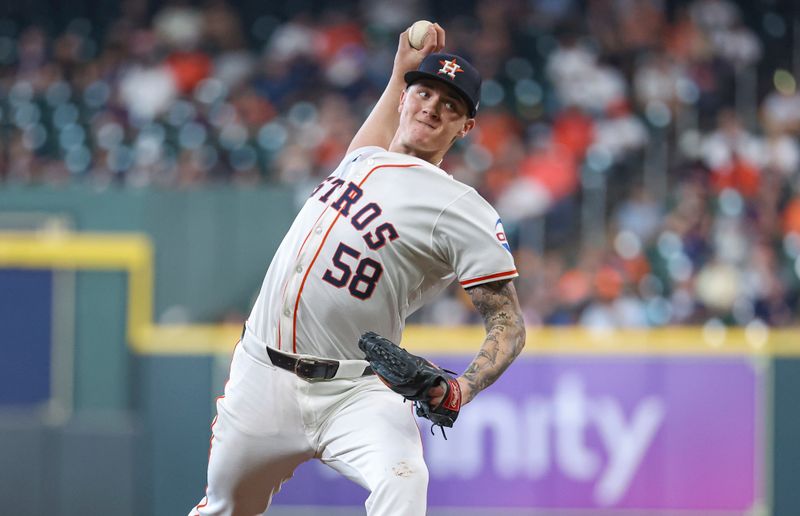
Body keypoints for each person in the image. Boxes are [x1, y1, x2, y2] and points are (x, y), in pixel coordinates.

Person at [189, 23, 526, 516]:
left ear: (465, 127)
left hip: (355, 391)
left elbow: (509, 324)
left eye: (450, 104)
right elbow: (398, 87)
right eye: (425, 92)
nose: (431, 107)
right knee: (224, 508)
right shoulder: (364, 157)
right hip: (262, 375)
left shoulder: (463, 208)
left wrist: (460, 389)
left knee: (405, 479)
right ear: (407, 97)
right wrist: (401, 69)